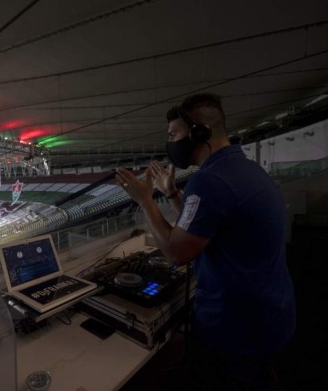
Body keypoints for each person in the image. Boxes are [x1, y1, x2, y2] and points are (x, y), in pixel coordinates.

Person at [116, 93, 295, 390]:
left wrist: (145, 200)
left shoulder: (210, 181)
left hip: (236, 331)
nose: (170, 142)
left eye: (173, 134)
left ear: (199, 132)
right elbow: (208, 223)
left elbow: (175, 253)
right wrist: (172, 194)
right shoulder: (246, 169)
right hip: (270, 317)